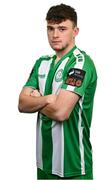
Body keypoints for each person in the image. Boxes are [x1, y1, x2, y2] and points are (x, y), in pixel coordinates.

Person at [18, 3, 97, 179]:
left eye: (62, 29)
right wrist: (48, 100)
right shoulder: (42, 63)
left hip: (74, 167)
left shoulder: (80, 63)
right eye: (50, 28)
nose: (55, 35)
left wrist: (37, 99)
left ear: (75, 31)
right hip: (44, 165)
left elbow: (61, 112)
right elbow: (22, 104)